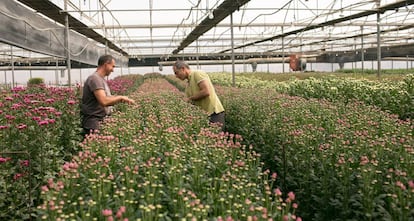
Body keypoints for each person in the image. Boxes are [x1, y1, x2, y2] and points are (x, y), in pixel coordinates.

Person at [80, 54, 135, 137]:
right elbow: (104, 101)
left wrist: (120, 97)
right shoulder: (95, 79)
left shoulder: (100, 79)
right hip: (94, 123)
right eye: (112, 66)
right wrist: (120, 98)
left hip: (99, 122)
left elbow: (106, 98)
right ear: (106, 65)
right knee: (96, 148)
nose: (113, 70)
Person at [173, 60, 225, 130]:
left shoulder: (197, 74)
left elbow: (206, 91)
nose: (176, 76)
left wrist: (190, 98)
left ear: (183, 69)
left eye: (176, 73)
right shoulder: (188, 83)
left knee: (217, 137)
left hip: (213, 113)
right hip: (204, 115)